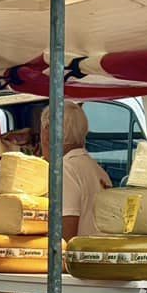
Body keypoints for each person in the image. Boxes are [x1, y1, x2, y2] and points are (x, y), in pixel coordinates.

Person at [41, 100, 112, 239]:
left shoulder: (64, 170)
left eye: (42, 130)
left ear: (49, 131)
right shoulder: (99, 171)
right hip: (97, 256)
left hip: (76, 259)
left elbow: (64, 237)